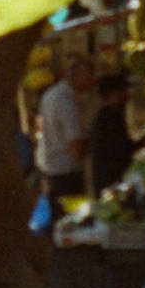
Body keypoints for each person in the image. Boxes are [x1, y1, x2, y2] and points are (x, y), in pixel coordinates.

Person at [32, 55, 95, 234]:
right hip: (66, 174)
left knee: (58, 226)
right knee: (71, 227)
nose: (92, 82)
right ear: (73, 76)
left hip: (50, 169)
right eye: (89, 76)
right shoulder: (67, 101)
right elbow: (75, 146)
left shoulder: (51, 95)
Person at [88, 72, 145, 195]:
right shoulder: (110, 117)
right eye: (123, 91)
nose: (127, 96)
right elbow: (122, 150)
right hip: (112, 182)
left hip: (109, 181)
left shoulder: (108, 115)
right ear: (112, 94)